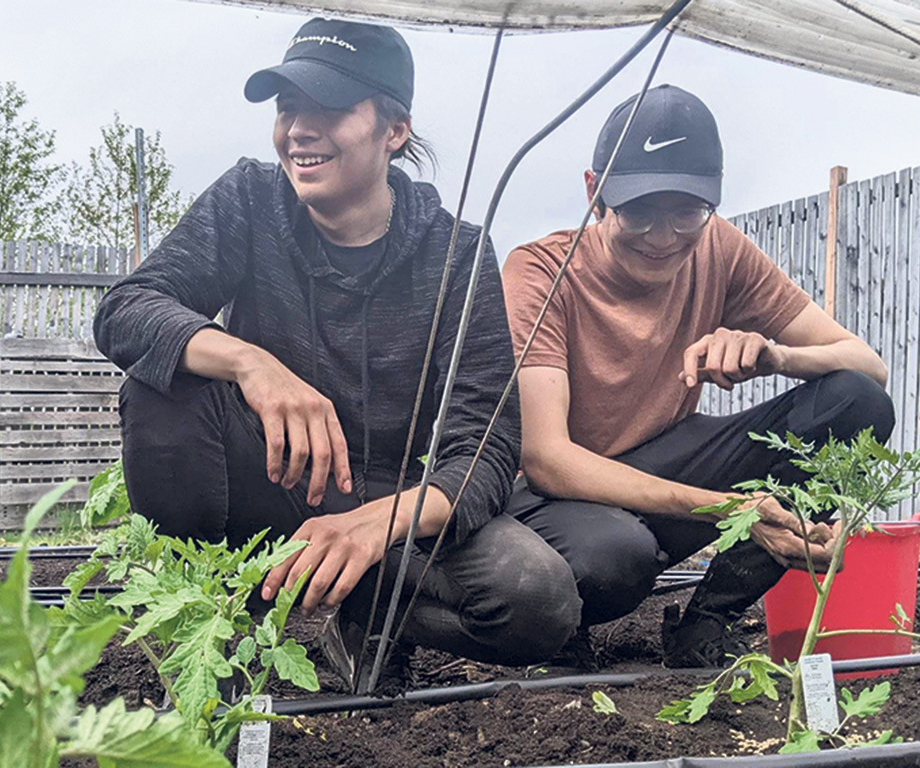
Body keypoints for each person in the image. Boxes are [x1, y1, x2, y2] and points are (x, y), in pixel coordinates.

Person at [94, 17, 581, 686]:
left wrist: (375, 525)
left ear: (393, 130)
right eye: (288, 106)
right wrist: (252, 364)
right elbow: (127, 309)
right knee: (159, 386)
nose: (298, 127)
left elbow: (486, 451)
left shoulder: (456, 254)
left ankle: (361, 619)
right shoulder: (249, 202)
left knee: (536, 600)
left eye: (328, 106)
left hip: (385, 498)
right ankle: (208, 628)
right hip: (269, 475)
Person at [502, 84, 895, 668]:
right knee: (614, 561)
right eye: (638, 211)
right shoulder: (539, 272)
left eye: (686, 211)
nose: (664, 239)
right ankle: (563, 627)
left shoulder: (720, 249)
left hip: (664, 461)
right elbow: (547, 458)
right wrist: (730, 509)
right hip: (552, 498)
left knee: (856, 404)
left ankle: (706, 622)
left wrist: (775, 355)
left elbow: (870, 366)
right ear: (595, 193)